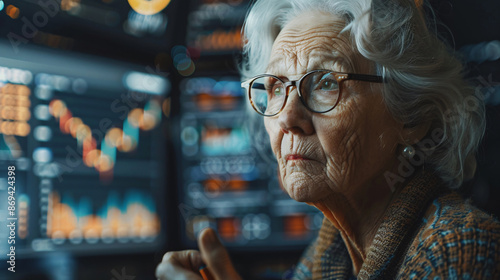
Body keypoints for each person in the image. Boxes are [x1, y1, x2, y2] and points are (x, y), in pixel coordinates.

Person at [156, 0, 500, 279]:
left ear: (412, 116)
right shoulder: (331, 250)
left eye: (324, 83)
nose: (288, 118)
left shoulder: (459, 250)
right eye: (276, 86)